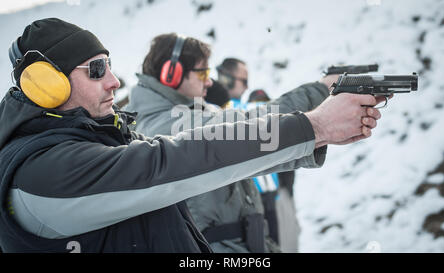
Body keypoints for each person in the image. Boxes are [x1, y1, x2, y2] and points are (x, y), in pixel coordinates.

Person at [0, 18, 383, 253]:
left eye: (110, 66)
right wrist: (316, 122)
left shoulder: (106, 136)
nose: (114, 81)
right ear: (45, 85)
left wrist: (317, 123)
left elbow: (232, 134)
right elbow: (189, 156)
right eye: (96, 69)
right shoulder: (45, 171)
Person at [125, 33, 383, 252]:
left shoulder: (184, 117)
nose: (210, 80)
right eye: (202, 72)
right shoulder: (165, 125)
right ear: (172, 73)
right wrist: (320, 93)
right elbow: (253, 127)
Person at [247, 89, 300, 252]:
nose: (260, 107)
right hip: (258, 201)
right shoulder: (247, 134)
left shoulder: (279, 131)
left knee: (287, 238)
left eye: (264, 102)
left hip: (280, 194)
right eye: (257, 104)